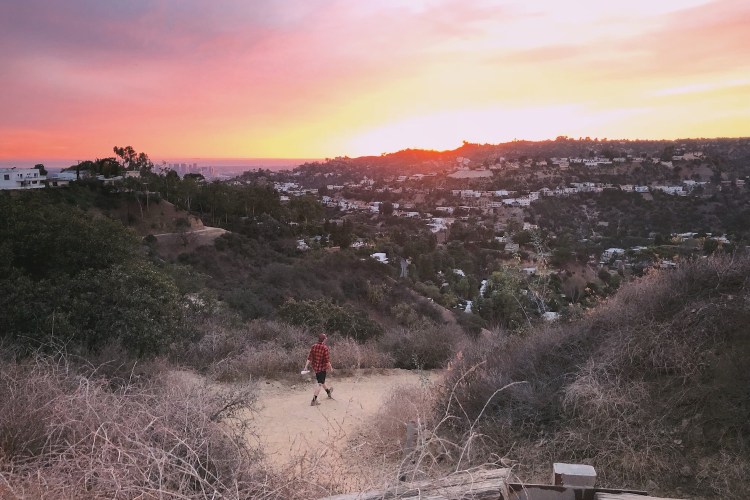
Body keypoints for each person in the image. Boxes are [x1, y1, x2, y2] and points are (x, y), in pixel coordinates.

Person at [303, 333, 334, 406]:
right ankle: (314, 400)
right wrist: (331, 367)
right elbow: (327, 360)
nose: (326, 339)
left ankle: (328, 392)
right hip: (322, 368)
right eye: (325, 338)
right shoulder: (324, 348)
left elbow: (309, 358)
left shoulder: (313, 346)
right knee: (320, 384)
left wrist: (305, 366)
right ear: (324, 339)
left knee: (321, 381)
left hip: (316, 368)